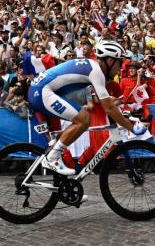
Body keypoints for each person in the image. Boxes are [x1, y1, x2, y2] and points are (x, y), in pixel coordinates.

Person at [27, 39, 147, 175]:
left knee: (62, 139)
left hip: (43, 90)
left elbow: (106, 102)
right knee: (84, 119)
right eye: (119, 63)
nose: (120, 68)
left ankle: (65, 188)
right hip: (42, 92)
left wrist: (120, 111)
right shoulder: (96, 71)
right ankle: (52, 158)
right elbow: (109, 108)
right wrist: (130, 127)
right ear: (109, 60)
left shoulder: (92, 67)